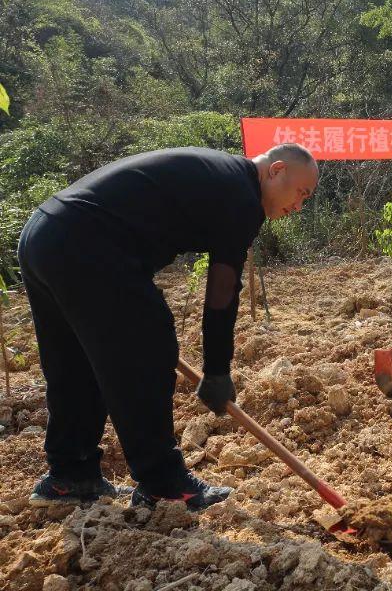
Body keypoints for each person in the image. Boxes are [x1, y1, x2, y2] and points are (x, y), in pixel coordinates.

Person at [18, 144, 318, 509]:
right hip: (87, 244)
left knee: (75, 361)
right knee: (149, 344)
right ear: (277, 170)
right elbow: (222, 291)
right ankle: (163, 482)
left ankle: (70, 476)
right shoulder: (243, 196)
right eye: (301, 193)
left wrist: (216, 368)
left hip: (44, 236)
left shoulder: (222, 175)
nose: (298, 206)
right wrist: (217, 370)